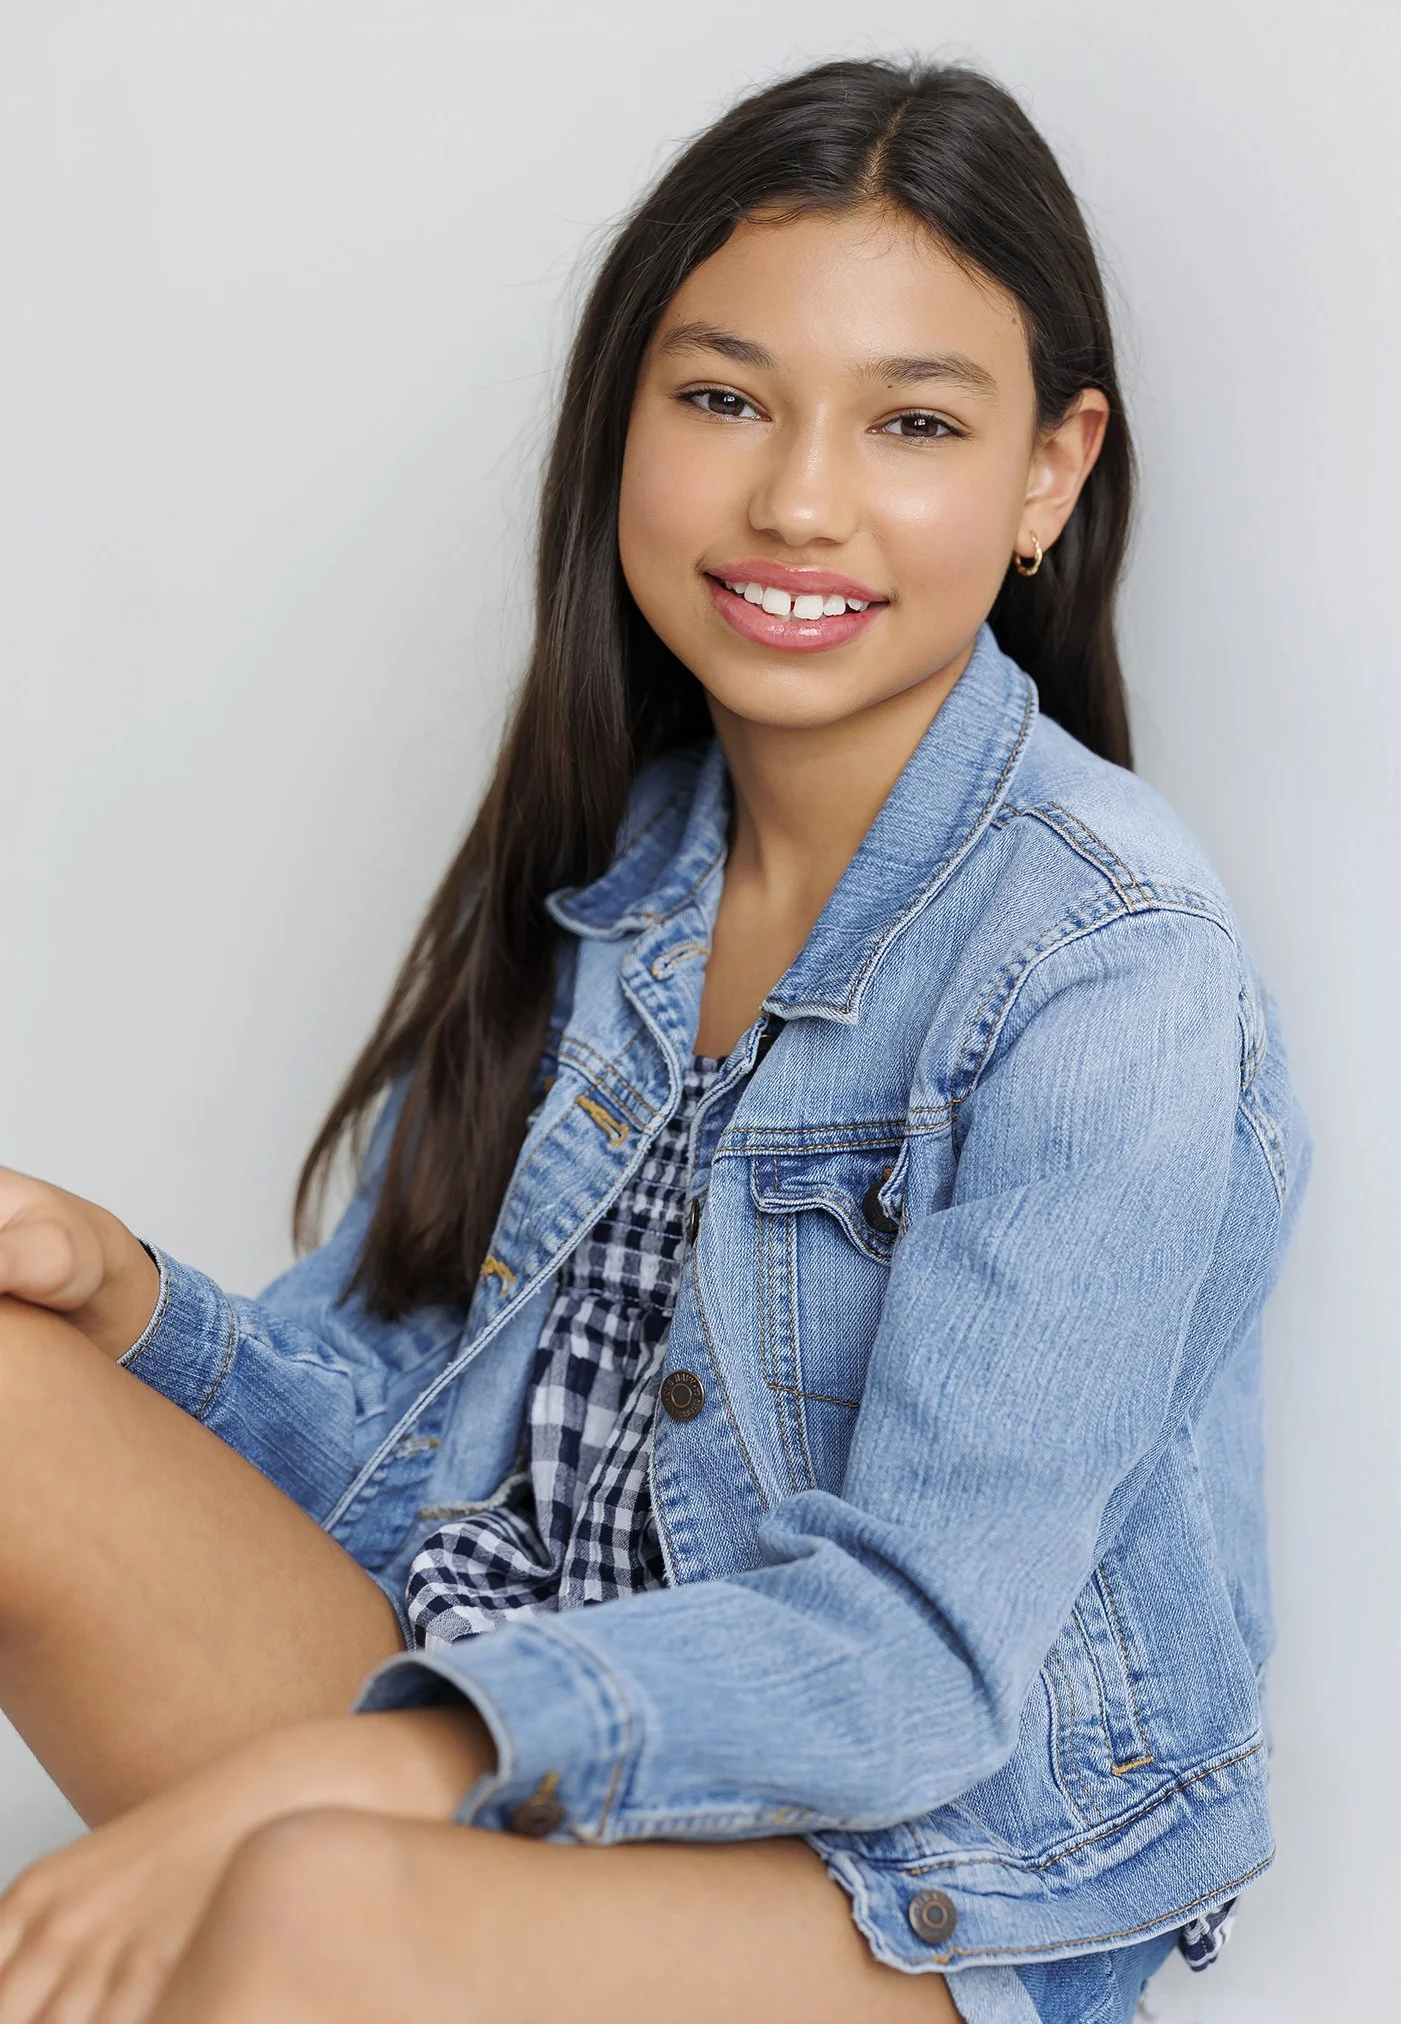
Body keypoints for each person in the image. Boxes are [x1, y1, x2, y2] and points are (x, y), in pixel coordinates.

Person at [0, 55, 1308, 2024]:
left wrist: (381, 1760)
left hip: (899, 1880)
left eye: (913, 423)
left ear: (1049, 470)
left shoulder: (1103, 963)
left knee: (315, 1915)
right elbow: (409, 1466)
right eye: (722, 398)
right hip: (528, 1716)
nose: (796, 495)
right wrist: (133, 1310)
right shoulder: (624, 867)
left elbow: (919, 1661)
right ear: (627, 416)